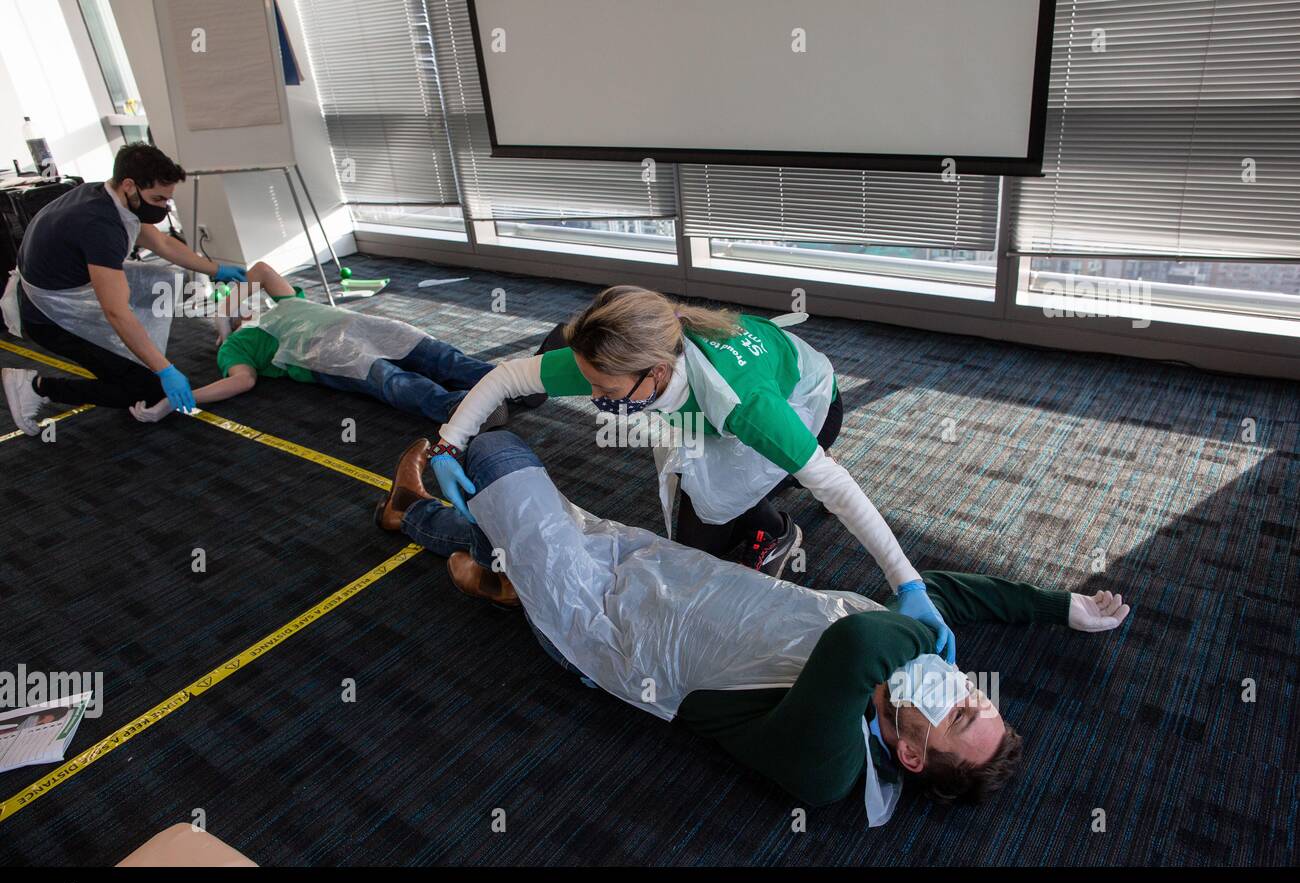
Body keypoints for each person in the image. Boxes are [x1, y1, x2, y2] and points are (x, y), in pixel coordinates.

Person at [373, 430, 1130, 821]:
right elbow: (936, 591)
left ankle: (459, 545)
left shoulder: (831, 770)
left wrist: (923, 633)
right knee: (513, 532)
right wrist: (1059, 608)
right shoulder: (900, 679)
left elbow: (855, 645)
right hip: (656, 565)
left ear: (909, 752)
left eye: (960, 710)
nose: (958, 684)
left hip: (597, 624)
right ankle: (466, 554)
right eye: (977, 693)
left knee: (496, 450)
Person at [423, 285, 962, 661]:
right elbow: (508, 378)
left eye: (606, 392)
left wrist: (908, 583)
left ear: (656, 372)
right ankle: (781, 479)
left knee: (724, 517)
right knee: (697, 535)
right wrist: (448, 446)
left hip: (805, 409)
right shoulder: (624, 357)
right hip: (711, 418)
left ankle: (775, 526)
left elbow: (840, 490)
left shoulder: (743, 403)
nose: (595, 399)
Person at [2, 143, 248, 435]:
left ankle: (130, 359)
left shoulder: (107, 196)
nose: (163, 207)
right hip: (50, 318)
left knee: (164, 282)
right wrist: (165, 369)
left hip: (64, 287)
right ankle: (38, 388)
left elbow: (162, 243)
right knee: (148, 390)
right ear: (130, 185)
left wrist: (216, 269)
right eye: (157, 198)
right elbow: (116, 312)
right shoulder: (101, 226)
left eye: (167, 200)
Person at [127, 261, 508, 429]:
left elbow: (258, 270)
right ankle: (463, 409)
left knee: (433, 352)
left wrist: (225, 310)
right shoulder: (234, 347)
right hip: (322, 354)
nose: (242, 302)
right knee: (390, 379)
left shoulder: (283, 300)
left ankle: (509, 381)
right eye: (232, 303)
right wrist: (178, 400)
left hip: (358, 324)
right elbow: (241, 382)